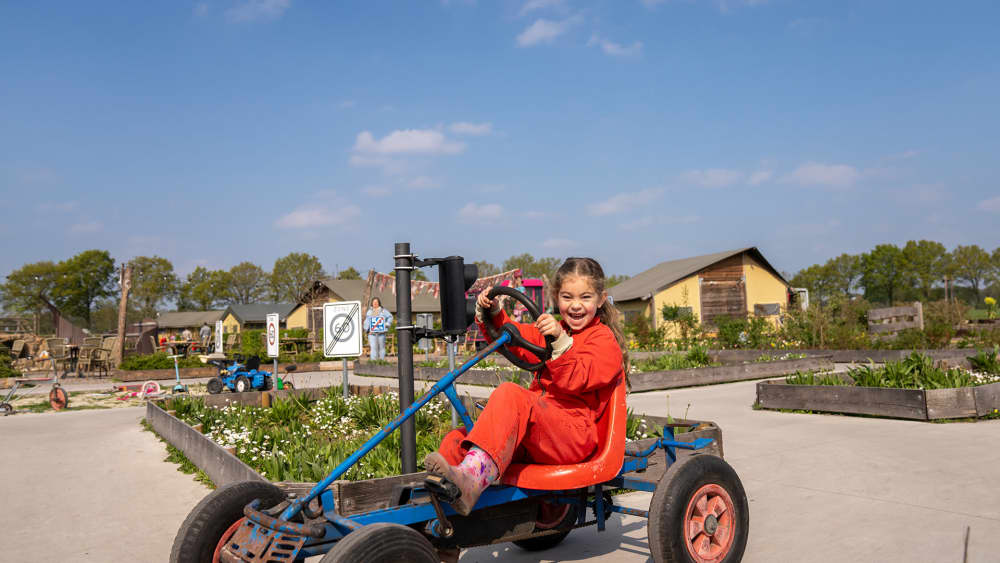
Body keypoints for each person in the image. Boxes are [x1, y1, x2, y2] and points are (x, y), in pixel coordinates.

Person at [424, 257, 628, 516]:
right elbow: (518, 339)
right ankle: (447, 527)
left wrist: (561, 342)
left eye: (585, 298)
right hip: (542, 431)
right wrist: (494, 313)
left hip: (573, 435)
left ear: (600, 300)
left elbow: (577, 378)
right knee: (458, 440)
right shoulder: (554, 329)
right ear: (556, 297)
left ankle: (472, 478)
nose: (576, 306)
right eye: (567, 297)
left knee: (511, 394)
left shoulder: (603, 342)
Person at [363, 297, 393, 362]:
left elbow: (390, 317)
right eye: (374, 302)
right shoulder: (369, 312)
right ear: (372, 303)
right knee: (373, 348)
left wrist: (387, 324)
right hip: (372, 334)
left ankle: (381, 362)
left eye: (376, 302)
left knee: (381, 348)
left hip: (381, 333)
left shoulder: (383, 311)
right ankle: (373, 362)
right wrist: (367, 330)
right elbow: (366, 322)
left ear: (379, 303)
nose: (375, 304)